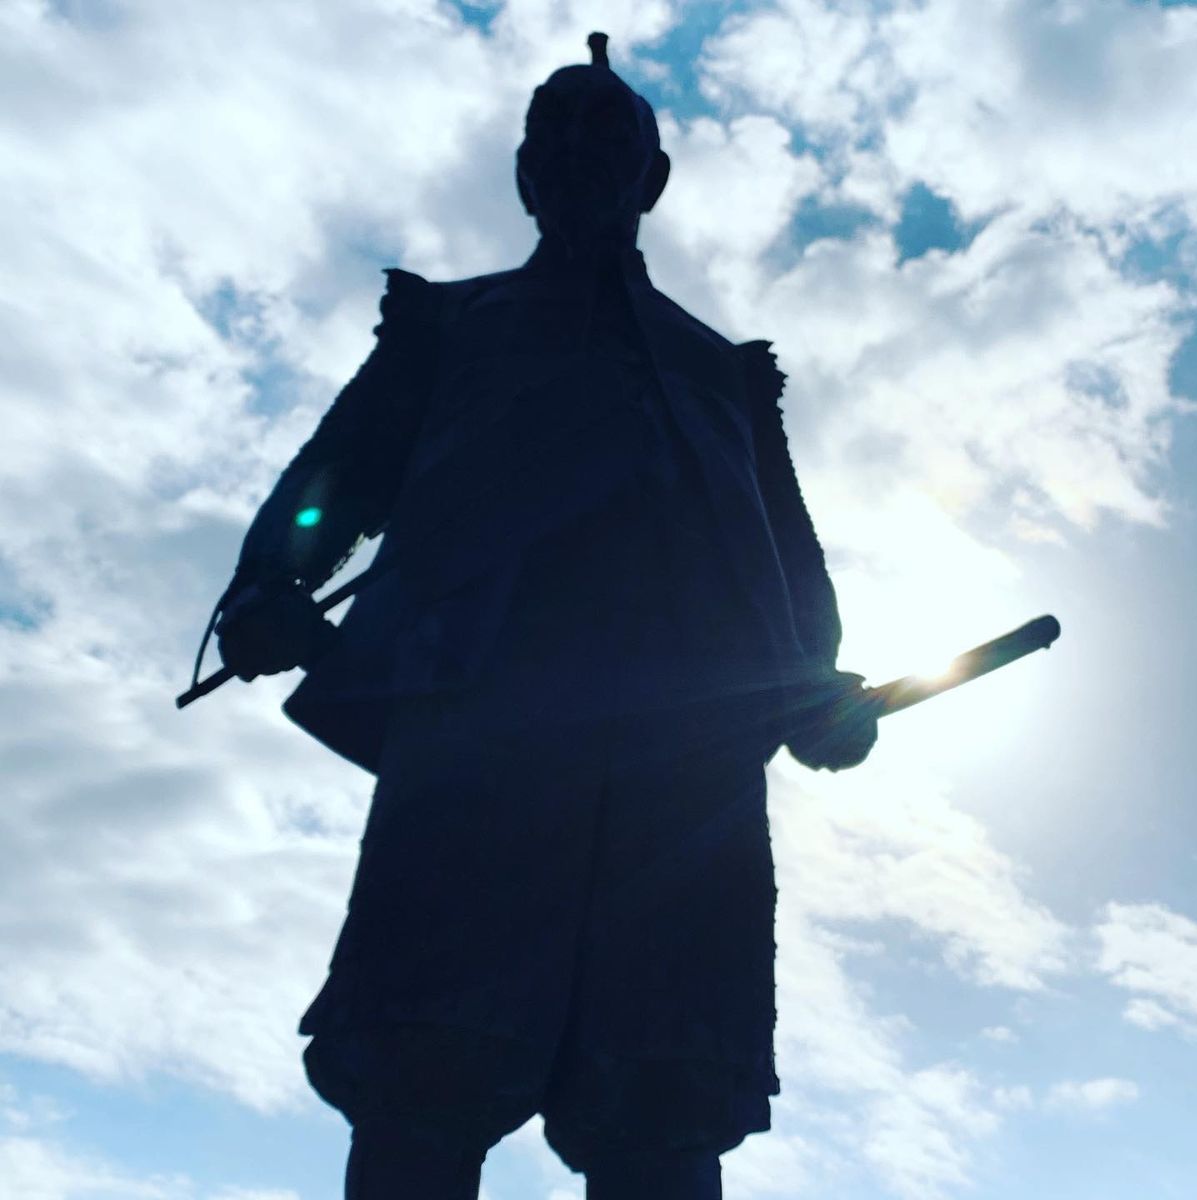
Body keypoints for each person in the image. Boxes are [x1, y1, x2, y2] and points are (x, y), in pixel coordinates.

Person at [214, 32, 876, 1200]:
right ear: (524, 170)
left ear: (652, 176)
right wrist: (273, 579)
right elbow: (339, 474)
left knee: (666, 1095)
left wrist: (815, 679)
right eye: (551, 131)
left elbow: (783, 546)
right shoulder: (452, 325)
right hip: (484, 727)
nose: (576, 149)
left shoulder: (721, 373)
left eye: (605, 130)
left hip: (688, 762)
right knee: (426, 1061)